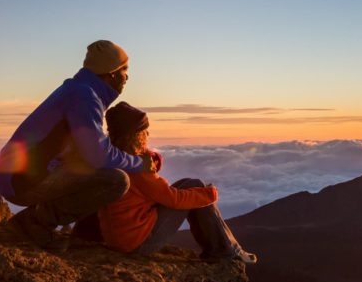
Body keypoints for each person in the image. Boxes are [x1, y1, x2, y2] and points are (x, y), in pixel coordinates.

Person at [0, 40, 155, 246]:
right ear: (111, 73)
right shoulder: (85, 97)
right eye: (125, 69)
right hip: (19, 180)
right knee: (116, 180)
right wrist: (139, 163)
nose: (127, 76)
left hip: (14, 173)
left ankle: (35, 220)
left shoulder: (78, 90)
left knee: (89, 164)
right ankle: (35, 224)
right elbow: (99, 155)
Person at [98, 102, 258, 263]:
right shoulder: (137, 167)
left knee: (192, 184)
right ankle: (226, 251)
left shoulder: (115, 159)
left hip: (120, 238)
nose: (148, 133)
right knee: (198, 190)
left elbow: (149, 190)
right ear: (135, 135)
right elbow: (174, 199)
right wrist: (210, 194)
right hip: (139, 242)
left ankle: (225, 249)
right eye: (144, 130)